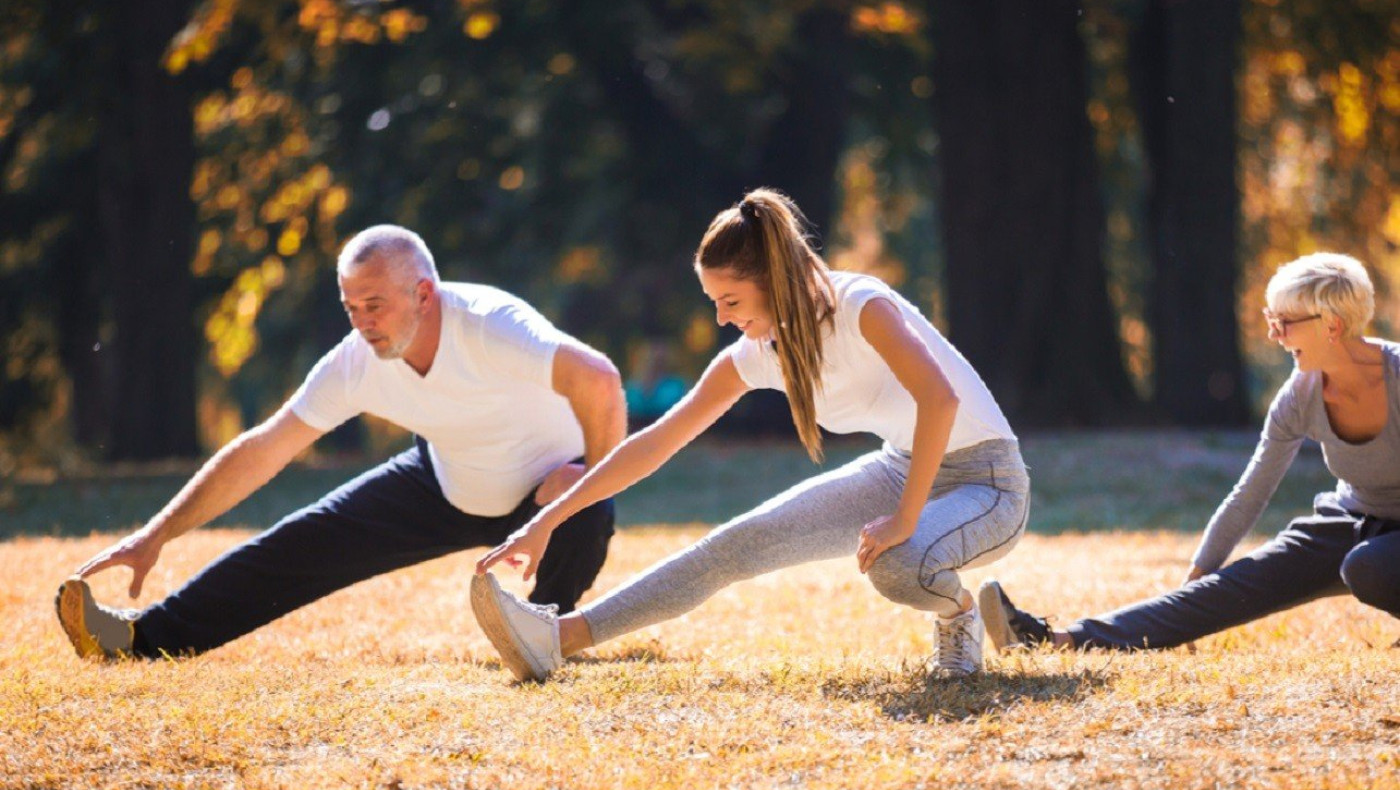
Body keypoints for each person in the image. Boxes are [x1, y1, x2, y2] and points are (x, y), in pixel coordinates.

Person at [471, 188, 1029, 681]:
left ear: (776, 282)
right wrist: (544, 523)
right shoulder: (756, 356)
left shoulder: (862, 307)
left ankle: (959, 614)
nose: (719, 319)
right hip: (902, 467)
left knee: (897, 563)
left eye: (730, 302)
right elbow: (654, 443)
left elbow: (940, 400)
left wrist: (906, 519)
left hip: (989, 483)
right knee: (735, 544)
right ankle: (556, 639)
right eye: (714, 303)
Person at [56, 225, 625, 660]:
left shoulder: (490, 325)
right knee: (294, 546)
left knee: (586, 512)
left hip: (550, 491)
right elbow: (264, 449)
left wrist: (587, 480)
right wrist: (157, 535)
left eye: (375, 305)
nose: (362, 322)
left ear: (424, 294)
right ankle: (138, 639)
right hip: (445, 484)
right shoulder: (357, 361)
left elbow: (598, 379)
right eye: (351, 307)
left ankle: (543, 637)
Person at [980, 253, 1400, 653]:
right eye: (1273, 320)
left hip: (1380, 550)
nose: (1274, 334)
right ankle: (1058, 641)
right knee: (1247, 580)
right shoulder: (1299, 395)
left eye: (1285, 322)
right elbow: (1250, 492)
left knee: (1368, 567)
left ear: (1332, 325)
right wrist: (1199, 578)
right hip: (1351, 520)